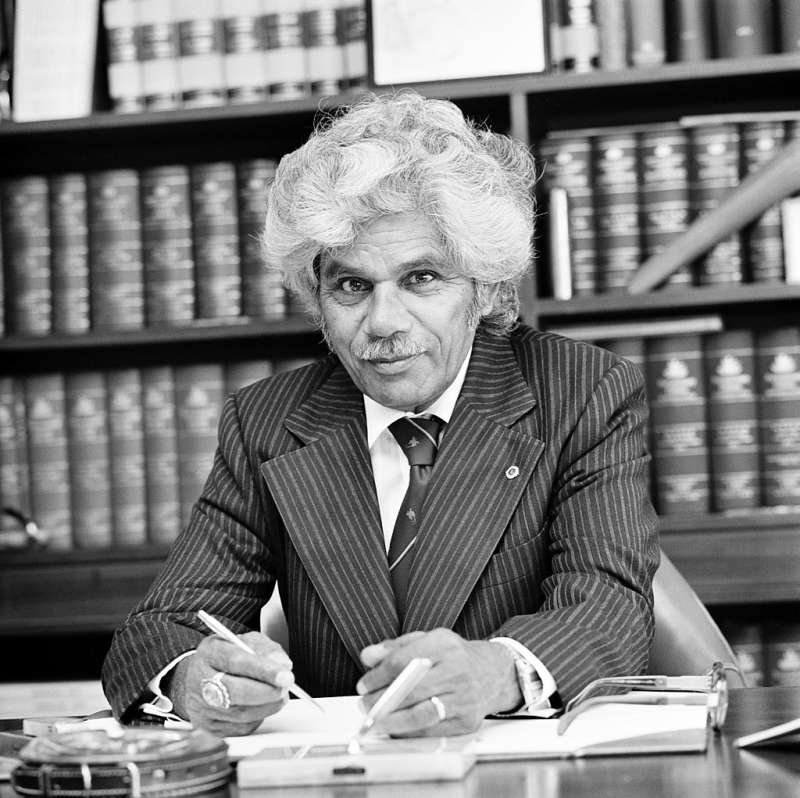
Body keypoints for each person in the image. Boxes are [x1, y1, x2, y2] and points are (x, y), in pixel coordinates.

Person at [102, 90, 659, 738]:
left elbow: (609, 607)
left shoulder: (584, 393)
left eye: (421, 278)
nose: (384, 323)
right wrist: (192, 678)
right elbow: (156, 632)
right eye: (351, 286)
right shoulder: (265, 424)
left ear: (483, 286)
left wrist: (493, 673)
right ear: (317, 296)